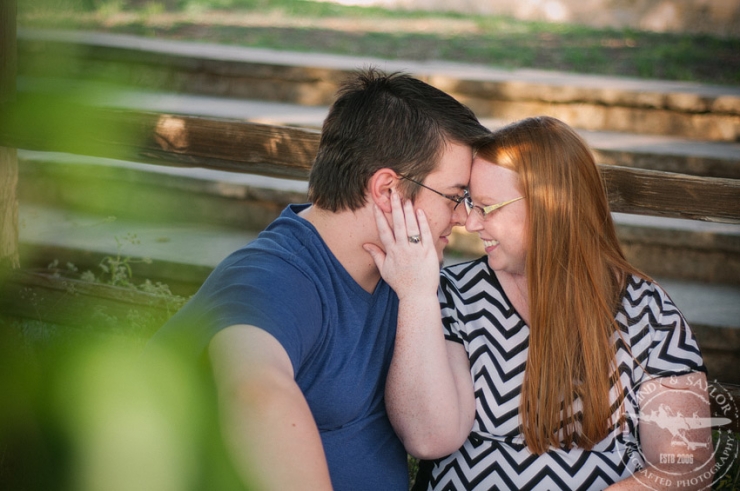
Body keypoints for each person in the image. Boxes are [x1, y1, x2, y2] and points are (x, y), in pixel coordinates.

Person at [145, 68, 491, 490]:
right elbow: (256, 392)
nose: (463, 219)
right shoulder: (272, 275)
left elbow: (431, 435)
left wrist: (418, 293)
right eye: (455, 197)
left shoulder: (405, 272)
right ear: (387, 190)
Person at [366, 116, 713, 490]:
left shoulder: (647, 311)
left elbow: (686, 466)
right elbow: (428, 438)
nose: (469, 221)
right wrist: (417, 295)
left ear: (551, 207)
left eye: (487, 206)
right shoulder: (454, 295)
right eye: (469, 202)